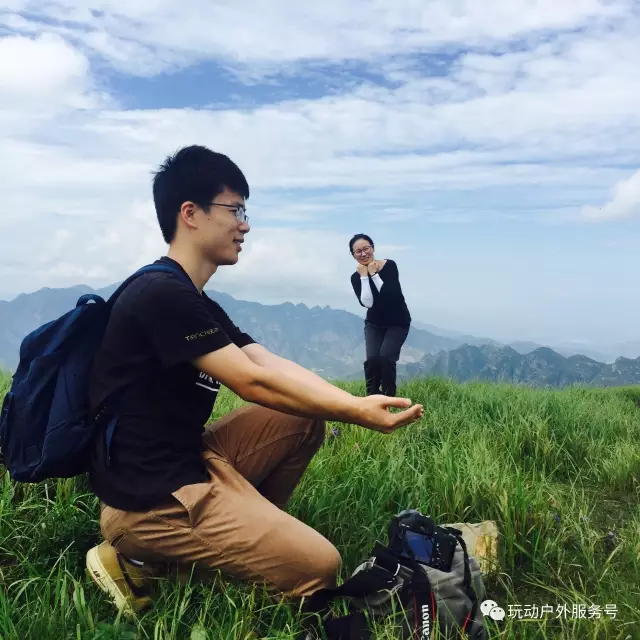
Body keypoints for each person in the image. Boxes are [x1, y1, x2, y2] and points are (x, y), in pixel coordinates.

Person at [84, 145, 424, 616]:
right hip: (151, 500)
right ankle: (141, 559)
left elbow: (266, 362)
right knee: (321, 566)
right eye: (235, 209)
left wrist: (353, 400)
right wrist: (355, 413)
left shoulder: (192, 297)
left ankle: (245, 536)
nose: (245, 224)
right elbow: (251, 383)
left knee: (299, 419)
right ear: (191, 214)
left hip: (189, 462)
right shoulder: (160, 294)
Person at [349, 234, 411, 397]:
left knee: (385, 357)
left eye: (366, 249)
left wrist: (374, 274)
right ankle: (372, 397)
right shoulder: (356, 278)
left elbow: (391, 296)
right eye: (358, 252)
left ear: (373, 248)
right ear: (353, 255)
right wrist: (364, 276)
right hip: (374, 324)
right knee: (372, 360)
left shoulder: (389, 266)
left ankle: (389, 397)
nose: (363, 254)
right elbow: (368, 303)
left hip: (398, 322)